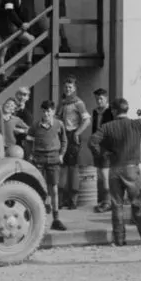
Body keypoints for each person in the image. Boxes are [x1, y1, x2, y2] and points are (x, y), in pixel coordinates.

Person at [88, 98, 141, 246]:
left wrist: (102, 154)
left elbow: (92, 142)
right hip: (132, 168)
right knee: (138, 204)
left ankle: (119, 239)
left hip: (114, 169)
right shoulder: (137, 124)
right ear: (126, 109)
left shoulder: (107, 127)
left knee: (117, 205)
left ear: (114, 111)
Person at [25, 100, 68, 231]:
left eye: (49, 111)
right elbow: (28, 141)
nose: (46, 114)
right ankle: (36, 219)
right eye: (44, 111)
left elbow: (64, 140)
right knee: (38, 187)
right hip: (38, 159)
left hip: (53, 158)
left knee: (54, 188)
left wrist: (61, 155)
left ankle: (56, 219)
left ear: (53, 111)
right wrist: (30, 155)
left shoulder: (59, 124)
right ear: (41, 112)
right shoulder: (35, 126)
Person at [57, 77, 91, 209]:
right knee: (62, 167)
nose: (67, 89)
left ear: (75, 88)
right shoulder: (63, 102)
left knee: (72, 168)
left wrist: (77, 133)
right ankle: (61, 199)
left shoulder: (78, 103)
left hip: (72, 136)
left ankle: (72, 200)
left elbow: (87, 120)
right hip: (63, 135)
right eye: (66, 87)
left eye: (70, 87)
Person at [91, 88, 115, 213]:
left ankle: (109, 201)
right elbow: (94, 129)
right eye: (97, 99)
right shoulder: (95, 112)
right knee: (100, 174)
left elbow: (113, 130)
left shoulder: (110, 111)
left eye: (101, 98)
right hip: (97, 145)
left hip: (107, 146)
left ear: (106, 99)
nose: (98, 101)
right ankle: (102, 201)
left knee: (106, 175)